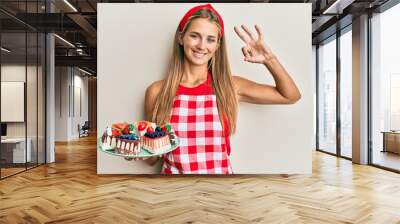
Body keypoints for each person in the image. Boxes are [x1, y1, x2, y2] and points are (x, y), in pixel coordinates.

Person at [134, 4, 301, 174]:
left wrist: (269, 59)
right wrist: (137, 149)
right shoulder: (157, 91)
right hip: (174, 192)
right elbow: (152, 159)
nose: (201, 45)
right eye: (194, 36)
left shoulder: (229, 86)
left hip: (220, 192)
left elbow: (290, 96)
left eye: (210, 39)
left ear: (218, 45)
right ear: (180, 38)